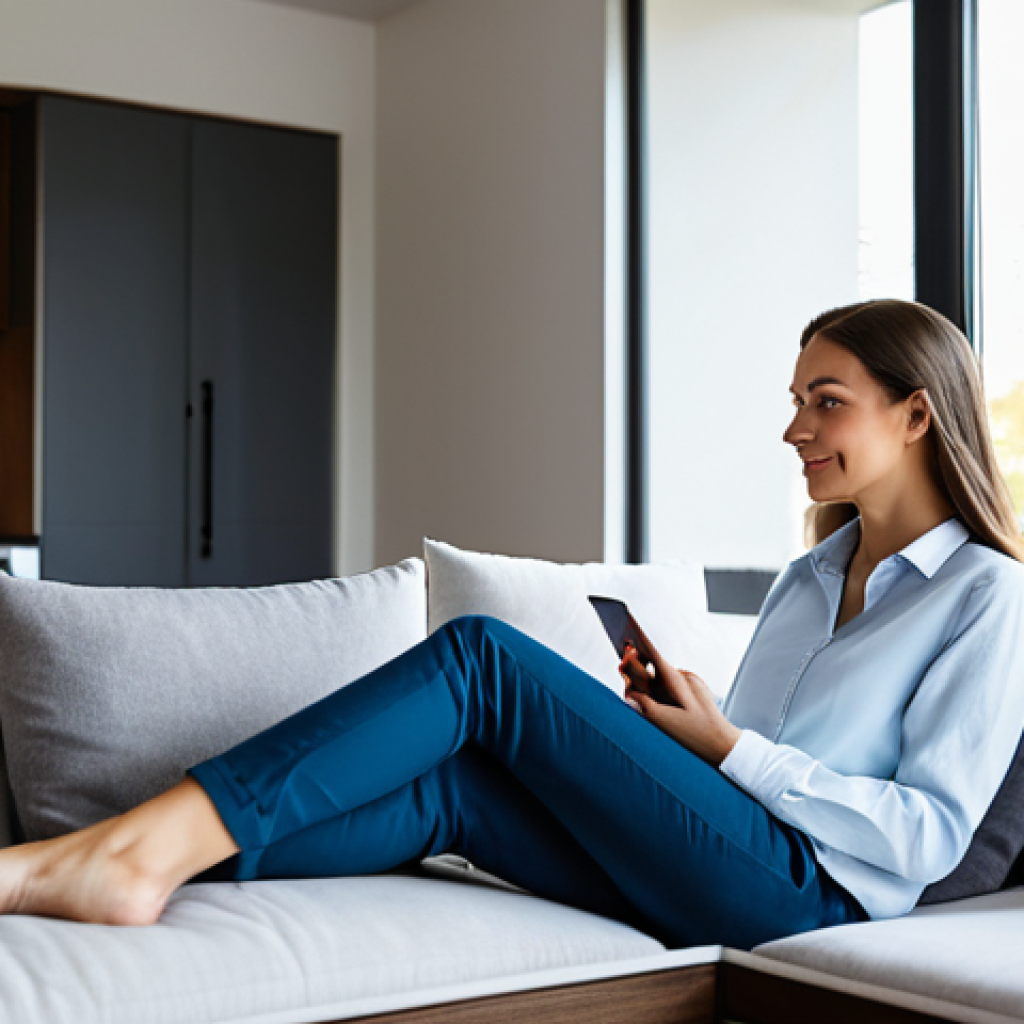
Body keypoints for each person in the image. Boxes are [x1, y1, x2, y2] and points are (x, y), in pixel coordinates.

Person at [2, 299, 1023, 951]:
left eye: (826, 400)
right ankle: (101, 864)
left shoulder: (986, 595)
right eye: (796, 398)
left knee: (482, 661)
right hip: (735, 847)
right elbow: (741, 764)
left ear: (916, 415)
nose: (794, 427)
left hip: (817, 895)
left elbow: (926, 834)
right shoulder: (809, 576)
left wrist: (733, 749)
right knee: (453, 789)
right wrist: (704, 728)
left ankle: (125, 858)